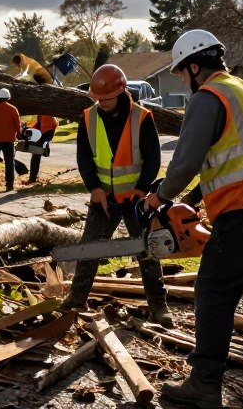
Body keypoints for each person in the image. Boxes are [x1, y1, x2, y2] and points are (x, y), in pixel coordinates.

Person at [146, 30, 243, 409]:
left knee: (213, 292)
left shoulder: (208, 97)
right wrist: (197, 196)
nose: (183, 81)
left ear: (195, 65)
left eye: (182, 73)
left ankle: (204, 382)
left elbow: (185, 161)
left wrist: (159, 197)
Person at [61, 64, 173, 328]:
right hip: (104, 198)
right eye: (98, 98)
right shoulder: (88, 117)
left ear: (121, 91)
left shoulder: (142, 117)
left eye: (107, 98)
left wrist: (142, 188)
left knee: (147, 250)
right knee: (89, 248)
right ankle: (77, 298)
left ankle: (159, 305)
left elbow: (153, 158)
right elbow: (84, 157)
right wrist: (95, 189)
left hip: (135, 199)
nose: (102, 103)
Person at [25, 114, 58, 183]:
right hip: (44, 133)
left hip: (45, 133)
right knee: (36, 155)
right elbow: (39, 124)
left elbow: (44, 128)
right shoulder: (43, 114)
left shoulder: (46, 114)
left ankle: (32, 179)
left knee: (36, 155)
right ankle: (32, 178)